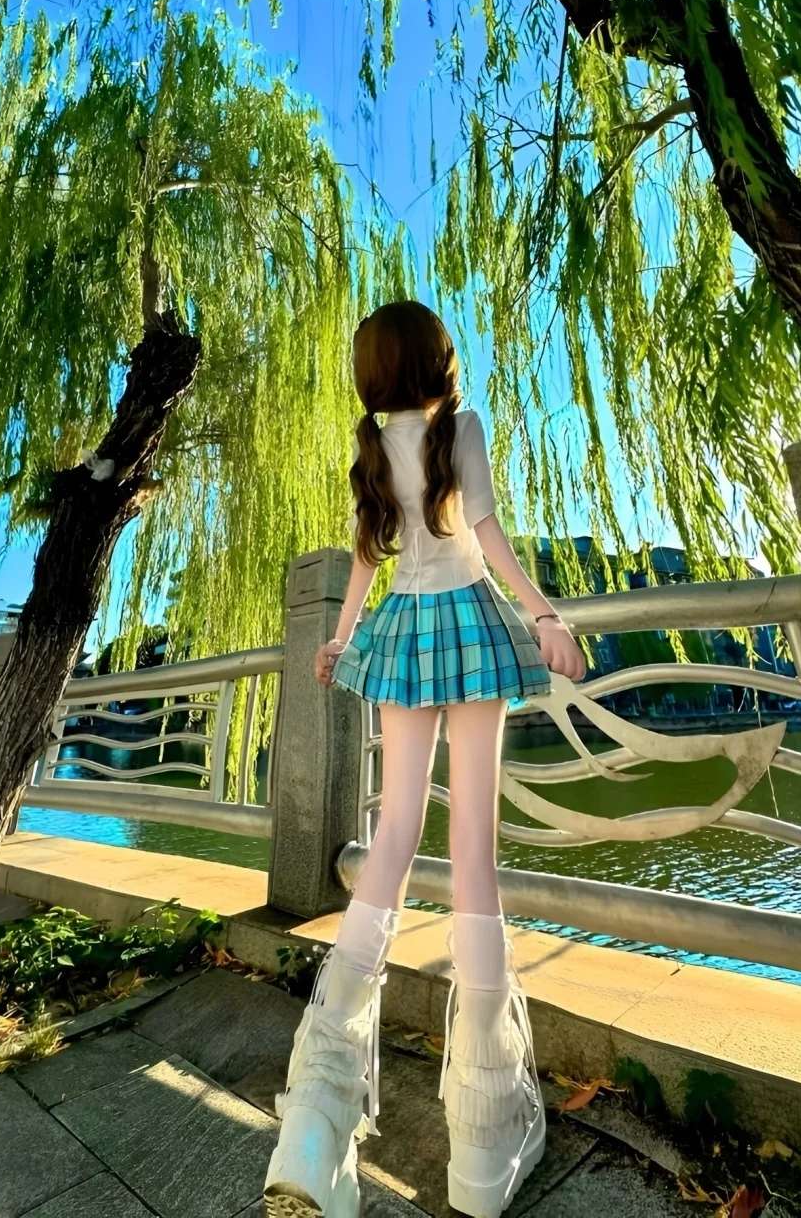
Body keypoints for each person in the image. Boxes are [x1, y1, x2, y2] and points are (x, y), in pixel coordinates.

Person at [263, 301, 586, 1218]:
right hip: (469, 620)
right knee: (472, 845)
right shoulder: (461, 427)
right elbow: (486, 533)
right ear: (437, 361)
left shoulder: (371, 446)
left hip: (401, 629)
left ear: (372, 373)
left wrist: (340, 638)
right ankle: (484, 1130)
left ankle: (318, 1107)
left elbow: (367, 557)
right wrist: (544, 614)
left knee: (394, 833)